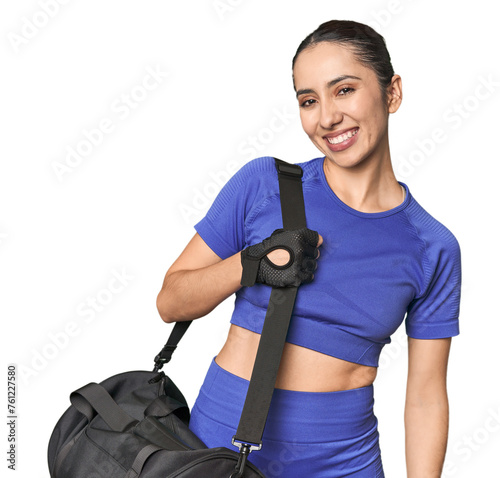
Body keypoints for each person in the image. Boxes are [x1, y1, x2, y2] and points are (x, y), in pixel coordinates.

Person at [156, 19, 461, 478]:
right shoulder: (264, 185)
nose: (327, 118)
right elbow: (170, 301)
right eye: (308, 100)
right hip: (222, 448)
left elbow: (425, 395)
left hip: (345, 463)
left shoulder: (432, 247)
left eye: (344, 90)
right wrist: (250, 264)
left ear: (392, 93)